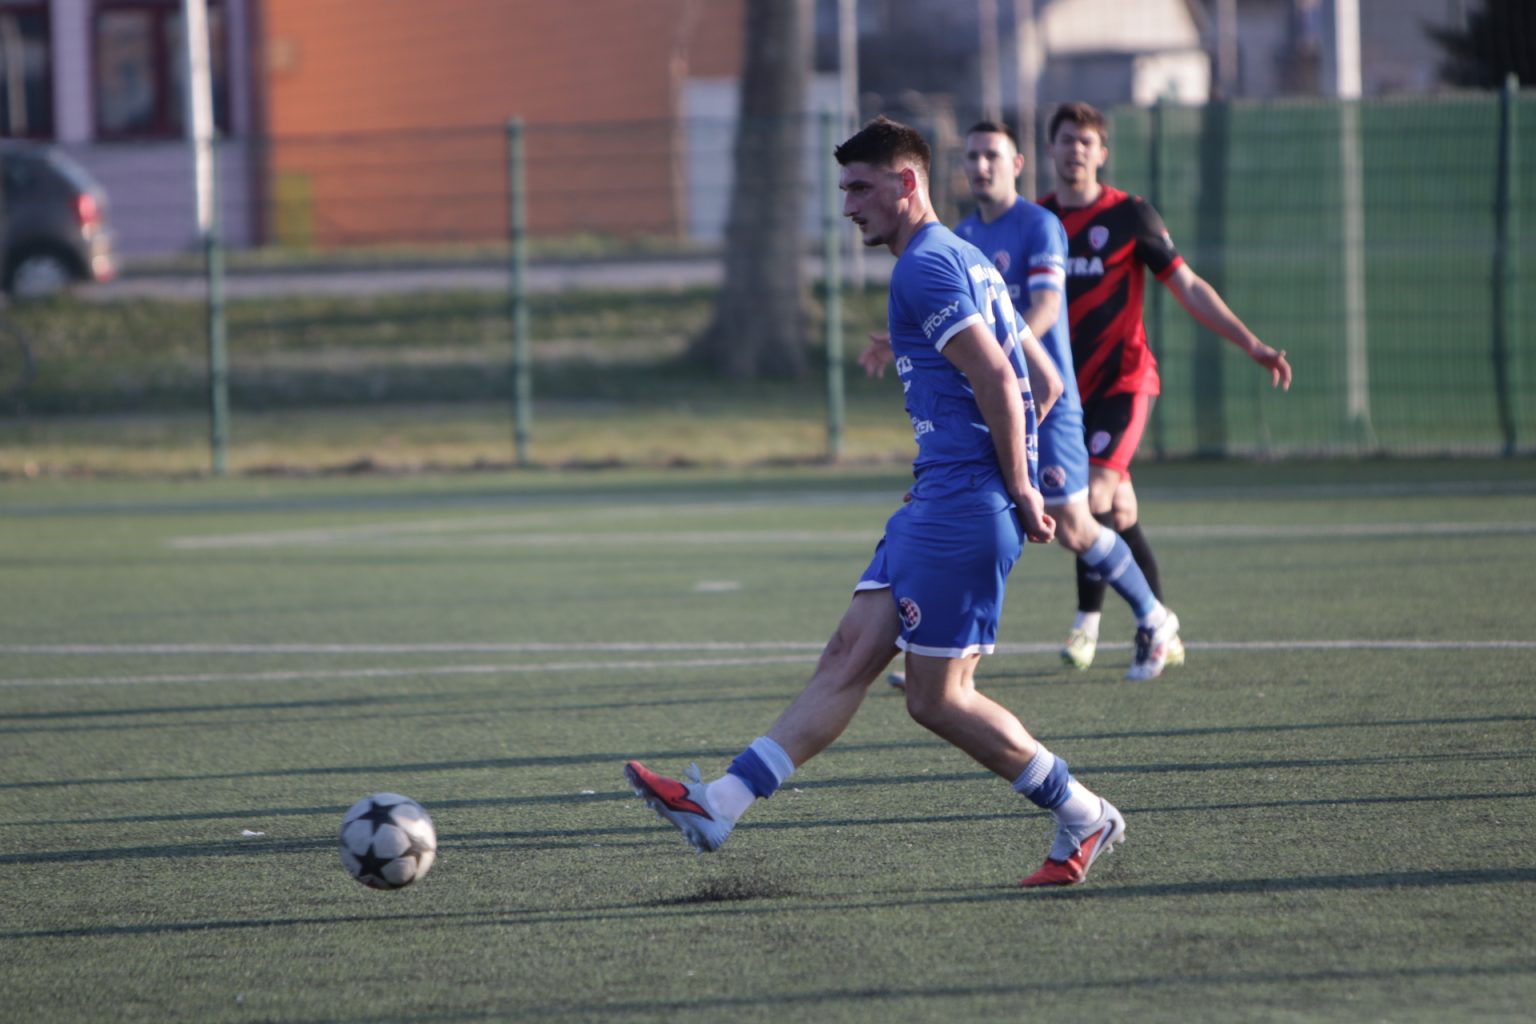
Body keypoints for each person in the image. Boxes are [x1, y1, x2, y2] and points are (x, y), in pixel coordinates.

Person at [625, 116, 1126, 888]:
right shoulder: (966, 257)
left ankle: (1084, 813)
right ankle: (719, 803)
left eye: (861, 188)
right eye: (844, 189)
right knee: (848, 656)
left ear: (907, 182)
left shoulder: (923, 266)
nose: (848, 205)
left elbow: (1003, 379)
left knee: (938, 700)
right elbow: (1046, 382)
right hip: (941, 499)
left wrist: (1017, 486)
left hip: (962, 508)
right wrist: (970, 465)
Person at [865, 121, 1179, 681]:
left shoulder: (1039, 225)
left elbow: (1042, 312)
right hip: (992, 404)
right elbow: (956, 320)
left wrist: (1003, 374)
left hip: (1038, 403)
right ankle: (940, 651)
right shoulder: (961, 236)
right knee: (975, 520)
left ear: (1017, 164)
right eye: (972, 156)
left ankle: (1155, 618)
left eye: (993, 155)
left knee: (1074, 525)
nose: (981, 165)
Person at [1040, 102, 1292, 670]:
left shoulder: (1130, 216)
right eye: (1066, 139)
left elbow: (1189, 285)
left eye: (1086, 141)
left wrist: (1250, 343)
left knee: (1091, 500)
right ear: (1050, 149)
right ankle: (1156, 623)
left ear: (1102, 153)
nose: (1075, 149)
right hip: (1066, 396)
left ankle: (1093, 626)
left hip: (1124, 384)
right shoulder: (1038, 221)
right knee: (1119, 514)